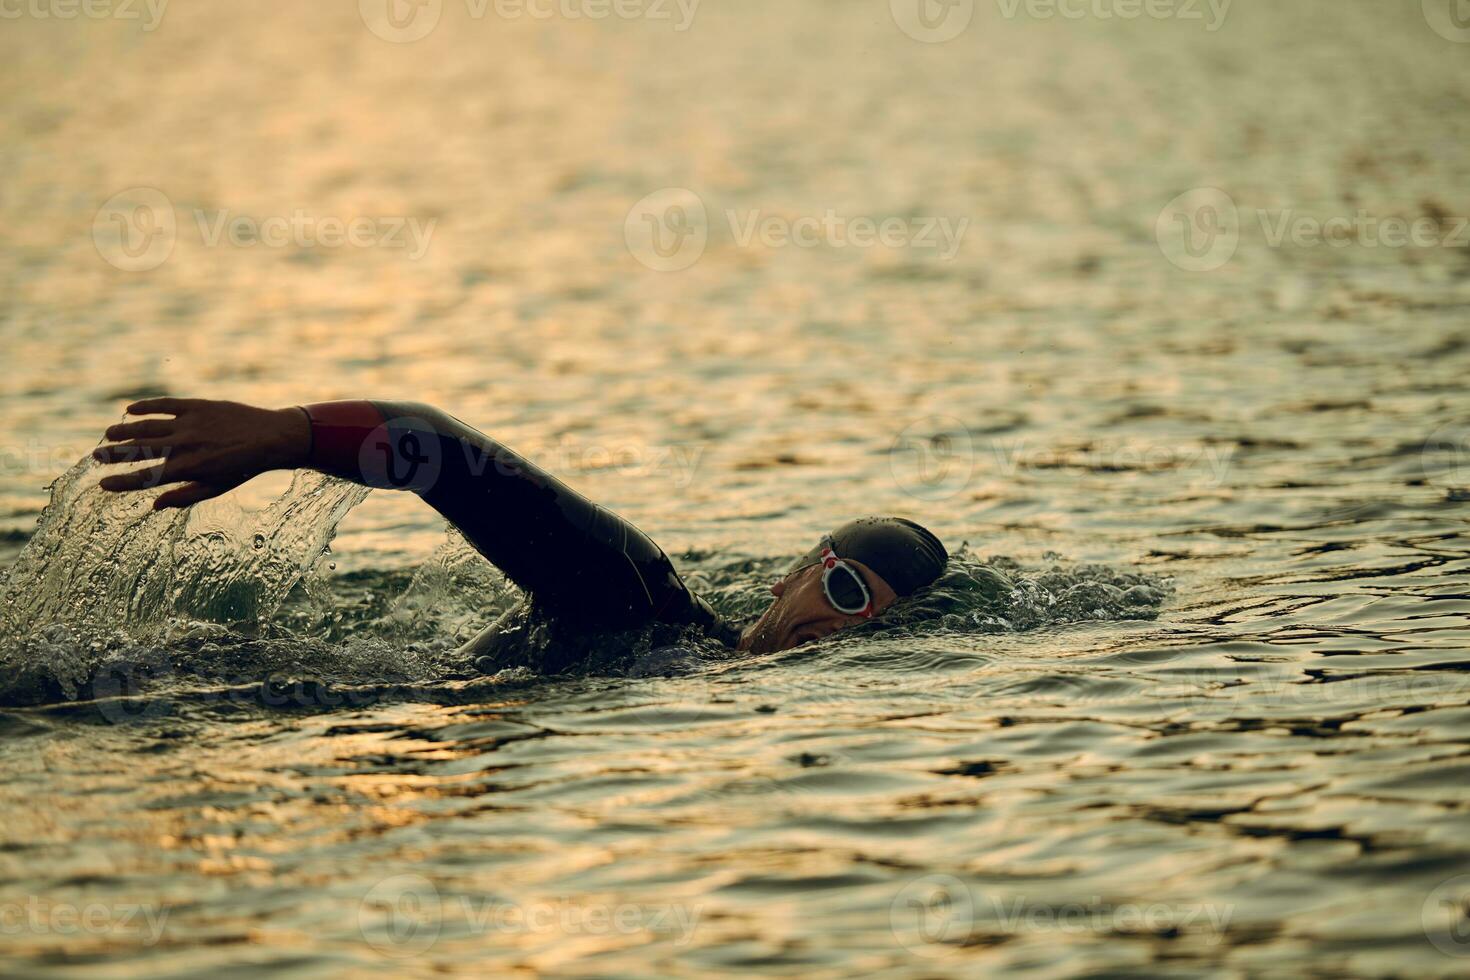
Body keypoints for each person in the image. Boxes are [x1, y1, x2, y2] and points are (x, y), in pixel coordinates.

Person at [92, 397, 948, 667]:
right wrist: (290, 435)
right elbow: (451, 455)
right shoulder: (640, 600)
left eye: (877, 625)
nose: (846, 625)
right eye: (845, 591)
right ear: (795, 572)